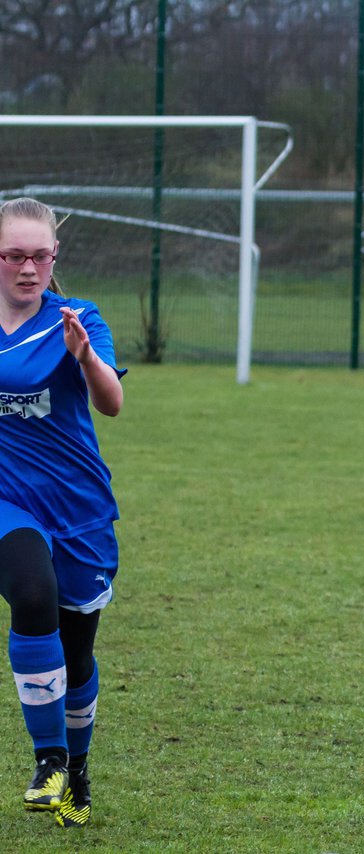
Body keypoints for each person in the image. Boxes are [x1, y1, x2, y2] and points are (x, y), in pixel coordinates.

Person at [0, 197, 126, 827]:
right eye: (14, 255)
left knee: (77, 656)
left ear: (55, 259)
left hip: (77, 508)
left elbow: (112, 404)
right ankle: (47, 759)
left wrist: (84, 357)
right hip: (8, 503)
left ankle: (76, 772)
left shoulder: (77, 319)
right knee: (30, 591)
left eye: (39, 256)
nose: (27, 268)